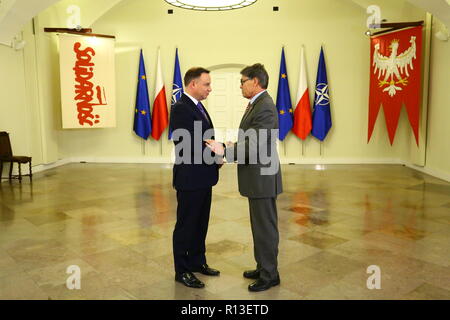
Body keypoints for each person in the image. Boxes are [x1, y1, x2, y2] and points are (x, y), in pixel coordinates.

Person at [206, 63, 282, 292]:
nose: (240, 85)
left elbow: (256, 145)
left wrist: (225, 152)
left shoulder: (265, 106)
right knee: (260, 226)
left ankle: (270, 275)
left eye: (242, 81)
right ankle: (263, 267)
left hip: (262, 177)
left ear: (255, 82)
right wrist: (234, 145)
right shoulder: (256, 104)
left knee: (265, 228)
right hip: (257, 177)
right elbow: (252, 139)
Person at [169, 67, 221, 289]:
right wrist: (217, 153)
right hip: (190, 177)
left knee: (201, 223)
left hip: (204, 176)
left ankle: (198, 261)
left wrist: (216, 153)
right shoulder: (181, 108)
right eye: (206, 84)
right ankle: (182, 270)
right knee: (186, 225)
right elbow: (186, 144)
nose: (210, 88)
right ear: (193, 85)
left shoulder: (198, 107)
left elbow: (204, 139)